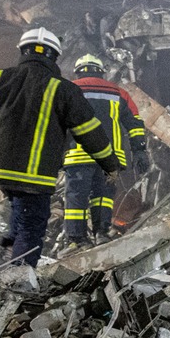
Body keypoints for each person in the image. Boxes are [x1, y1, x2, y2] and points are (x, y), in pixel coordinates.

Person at [0, 27, 119, 268]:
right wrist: (110, 165)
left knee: (19, 209)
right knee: (31, 225)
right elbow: (90, 133)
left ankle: (4, 255)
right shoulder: (63, 89)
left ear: (22, 52)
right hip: (33, 176)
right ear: (54, 57)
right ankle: (19, 282)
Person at [61, 54, 147, 245]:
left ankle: (77, 239)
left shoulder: (67, 91)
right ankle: (101, 234)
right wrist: (140, 150)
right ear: (101, 72)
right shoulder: (119, 93)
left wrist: (56, 154)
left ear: (77, 71)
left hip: (78, 155)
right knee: (103, 196)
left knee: (76, 196)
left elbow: (56, 125)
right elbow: (134, 124)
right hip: (109, 159)